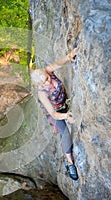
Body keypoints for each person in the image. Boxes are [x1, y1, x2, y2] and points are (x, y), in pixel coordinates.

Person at [30, 49, 78, 180]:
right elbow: (52, 113)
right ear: (39, 85)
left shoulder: (49, 71)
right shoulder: (42, 94)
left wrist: (68, 56)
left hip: (63, 102)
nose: (48, 82)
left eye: (47, 78)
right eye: (44, 82)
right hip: (54, 113)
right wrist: (66, 116)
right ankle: (70, 163)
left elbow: (58, 63)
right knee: (65, 133)